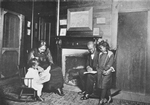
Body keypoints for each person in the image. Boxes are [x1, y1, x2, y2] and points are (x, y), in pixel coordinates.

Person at [97, 40, 115, 105]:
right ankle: (110, 98)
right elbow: (99, 63)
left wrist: (106, 70)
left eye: (101, 48)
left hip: (107, 72)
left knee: (103, 86)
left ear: (105, 47)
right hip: (101, 72)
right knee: (105, 86)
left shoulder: (110, 54)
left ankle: (101, 100)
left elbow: (110, 63)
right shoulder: (100, 53)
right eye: (99, 48)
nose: (100, 49)